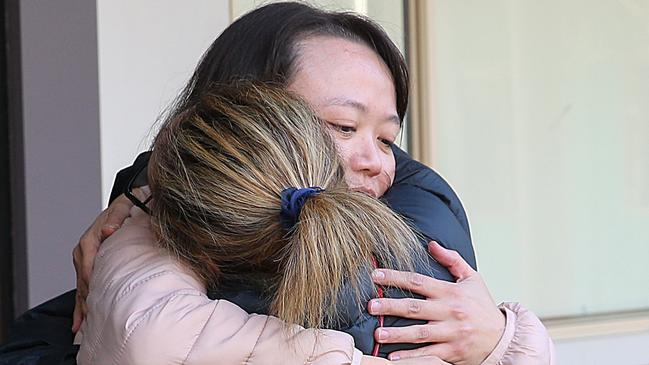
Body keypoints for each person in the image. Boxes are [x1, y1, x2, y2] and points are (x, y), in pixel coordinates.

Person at [0, 2, 553, 365]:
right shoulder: (151, 230)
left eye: (387, 138)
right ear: (244, 115)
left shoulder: (414, 225)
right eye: (342, 126)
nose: (374, 161)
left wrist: (502, 339)